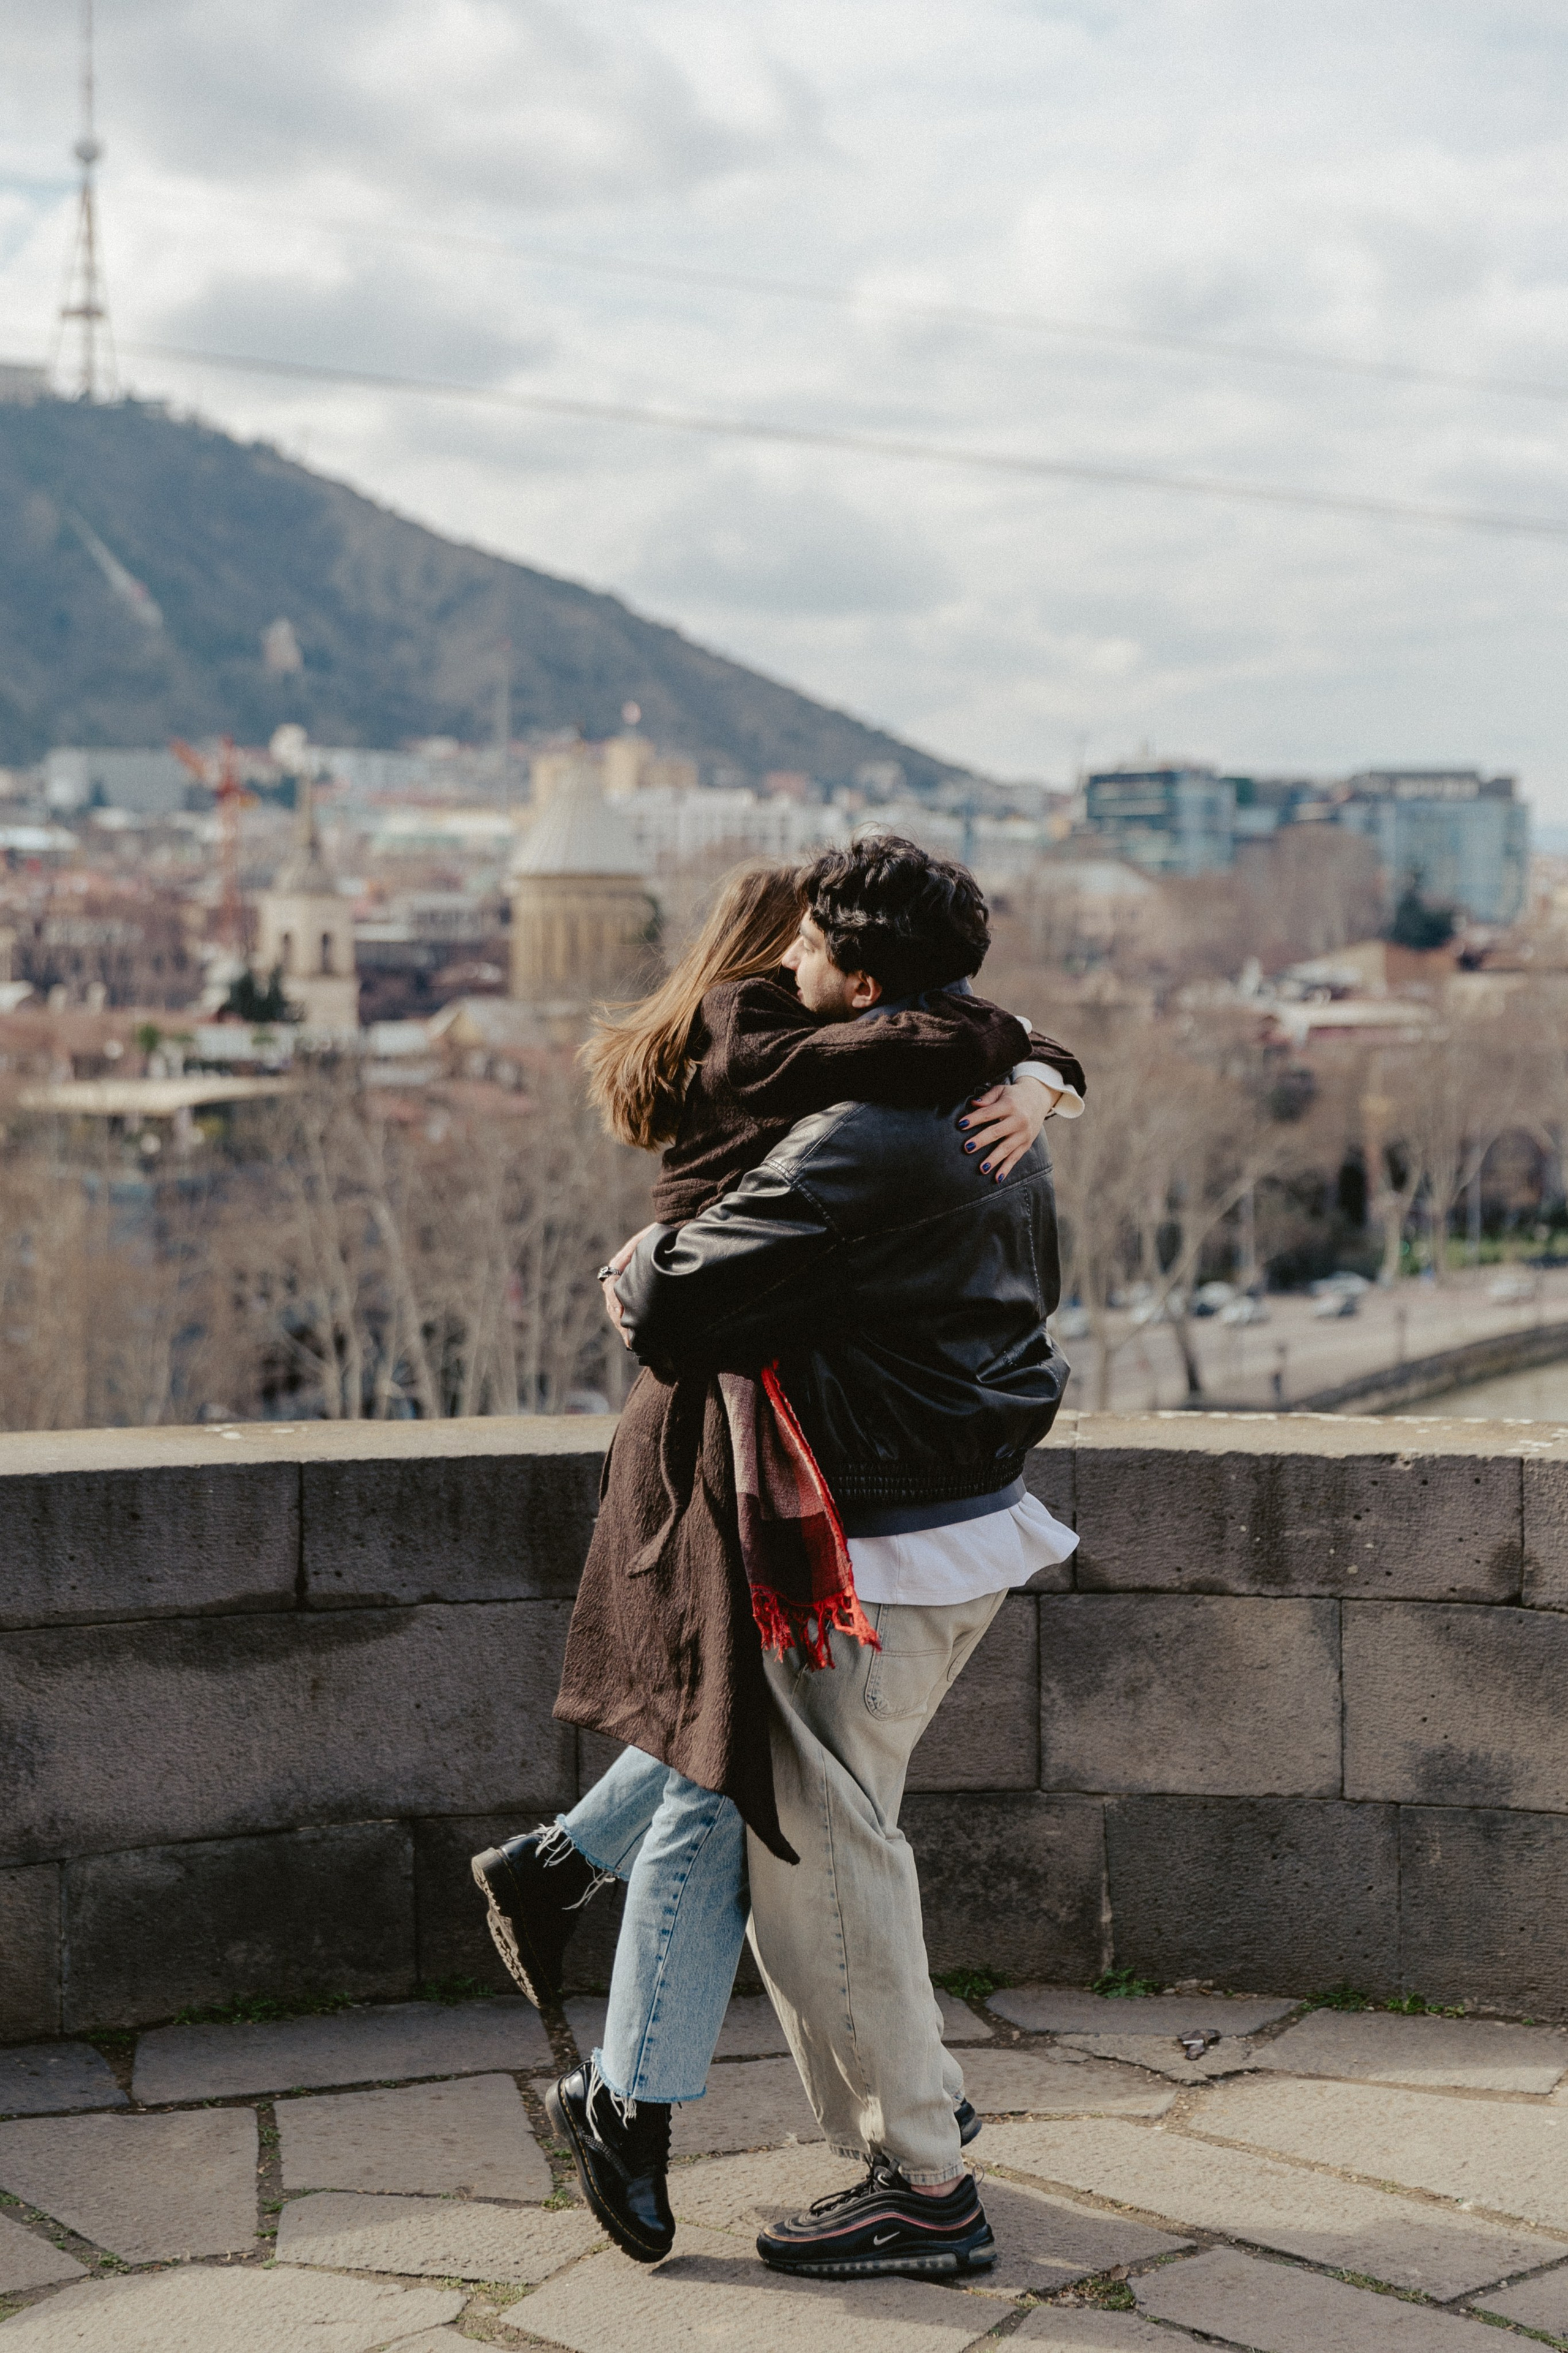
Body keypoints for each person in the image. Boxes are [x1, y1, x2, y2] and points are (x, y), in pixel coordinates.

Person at [471, 856, 1082, 2265]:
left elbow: (667, 1306)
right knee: (761, 1797)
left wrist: (642, 1266)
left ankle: (917, 2177)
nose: (788, 963)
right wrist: (1045, 1070)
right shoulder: (977, 1106)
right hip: (931, 1512)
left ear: (863, 988)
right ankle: (580, 1904)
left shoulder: (863, 1129)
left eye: (809, 946)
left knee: (820, 1858)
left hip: (855, 1534)